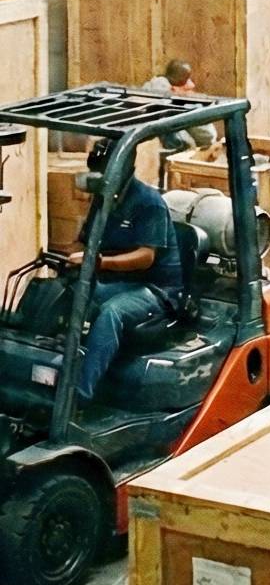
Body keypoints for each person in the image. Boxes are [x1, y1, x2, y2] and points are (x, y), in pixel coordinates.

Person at [68, 140, 183, 404]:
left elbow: (145, 258)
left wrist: (99, 263)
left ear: (123, 167)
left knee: (112, 312)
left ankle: (79, 396)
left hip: (156, 288)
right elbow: (86, 240)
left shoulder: (148, 203)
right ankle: (58, 371)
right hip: (121, 281)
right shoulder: (105, 198)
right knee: (69, 293)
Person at [142, 59, 217, 150]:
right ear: (178, 82)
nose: (192, 85)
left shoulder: (153, 87)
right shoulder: (169, 99)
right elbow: (207, 137)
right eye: (186, 79)